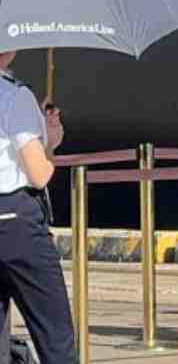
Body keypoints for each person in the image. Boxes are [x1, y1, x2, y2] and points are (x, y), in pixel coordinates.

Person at [0, 50, 77, 364]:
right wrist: (49, 141)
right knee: (54, 332)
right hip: (16, 222)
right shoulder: (14, 96)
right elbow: (39, 173)